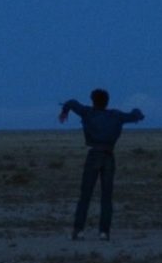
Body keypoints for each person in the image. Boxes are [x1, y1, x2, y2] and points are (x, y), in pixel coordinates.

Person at [59, 89, 144, 241]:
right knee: (106, 197)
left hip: (93, 155)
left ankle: (79, 231)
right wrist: (137, 112)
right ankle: (104, 232)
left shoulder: (88, 113)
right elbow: (136, 115)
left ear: (93, 100)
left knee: (85, 195)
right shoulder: (116, 115)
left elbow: (72, 103)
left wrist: (64, 111)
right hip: (108, 156)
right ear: (107, 101)